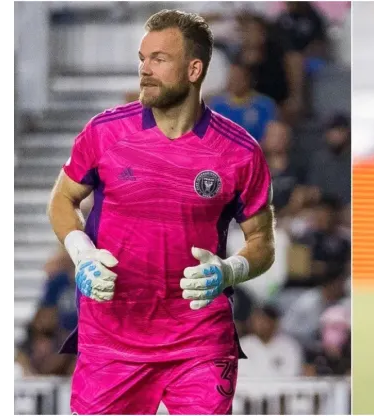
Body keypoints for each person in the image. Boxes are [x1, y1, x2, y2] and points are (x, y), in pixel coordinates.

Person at [46, 9, 275, 415]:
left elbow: (262, 243)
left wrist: (228, 270)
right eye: (142, 58)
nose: (144, 70)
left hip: (199, 341)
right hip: (111, 339)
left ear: (194, 69)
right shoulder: (104, 132)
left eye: (159, 59)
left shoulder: (240, 151)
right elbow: (62, 200)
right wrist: (81, 252)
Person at [208, 61, 277, 142]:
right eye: (232, 78)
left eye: (238, 78)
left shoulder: (265, 105)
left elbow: (272, 137)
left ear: (248, 79)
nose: (234, 82)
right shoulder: (216, 105)